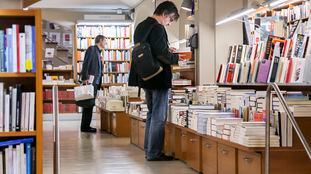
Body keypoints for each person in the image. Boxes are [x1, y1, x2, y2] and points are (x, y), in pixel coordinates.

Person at [129, 1, 181, 161]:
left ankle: (149, 149)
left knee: (152, 113)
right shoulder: (158, 27)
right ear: (164, 14)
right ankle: (154, 153)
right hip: (158, 77)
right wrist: (177, 57)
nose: (169, 23)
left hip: (145, 76)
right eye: (170, 19)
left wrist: (165, 49)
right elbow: (161, 54)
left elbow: (151, 49)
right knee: (159, 116)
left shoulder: (141, 26)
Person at [80, 35, 106, 133]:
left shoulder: (99, 53)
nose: (106, 43)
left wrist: (102, 63)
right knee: (88, 104)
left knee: (90, 104)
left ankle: (86, 126)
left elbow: (99, 69)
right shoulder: (92, 49)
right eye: (105, 41)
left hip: (95, 82)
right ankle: (85, 127)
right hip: (90, 82)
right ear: (100, 40)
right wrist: (84, 78)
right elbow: (86, 63)